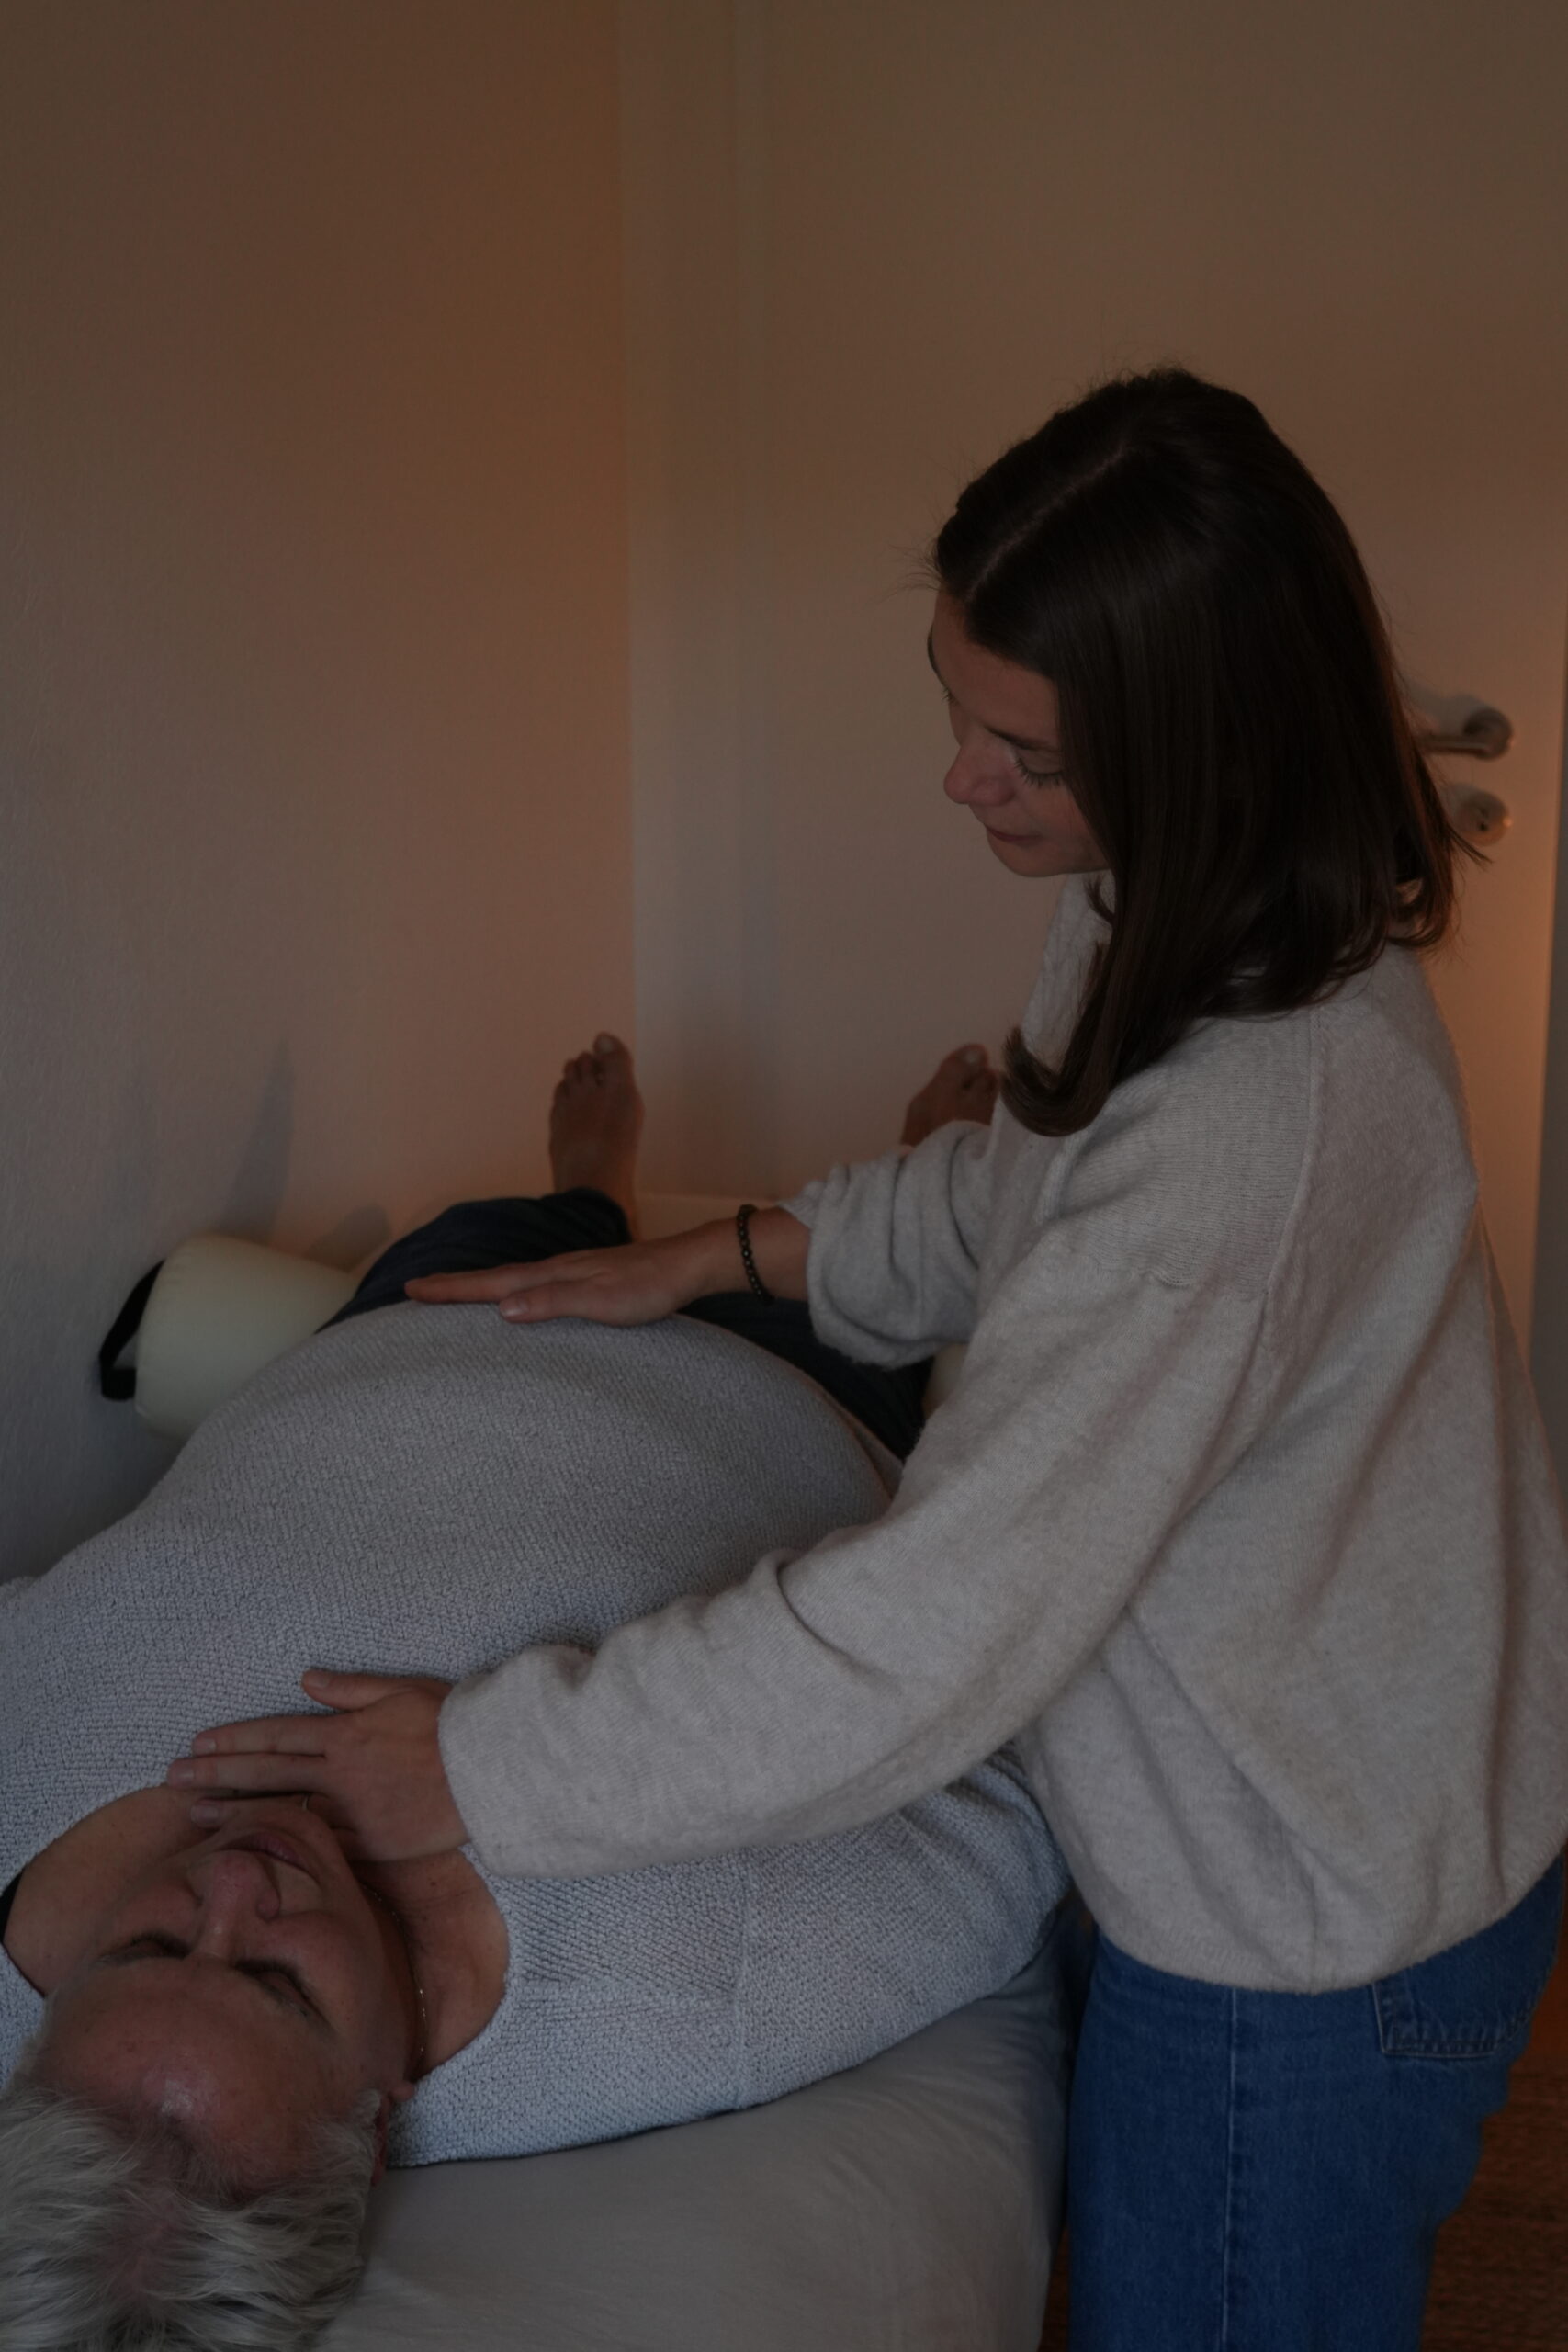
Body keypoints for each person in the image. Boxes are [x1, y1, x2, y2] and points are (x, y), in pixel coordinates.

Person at [175, 367, 1568, 2351]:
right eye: (955, 708)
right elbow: (1035, 1185)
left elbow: (927, 1631)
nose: (960, 781)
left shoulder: (1254, 1130)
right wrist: (742, 1248)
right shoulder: (1183, 900)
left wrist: (478, 1764)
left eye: (1025, 750)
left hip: (1308, 1942)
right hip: (1343, 1792)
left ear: (1202, 750)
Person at [0, 1046, 1065, 2352]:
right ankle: (908, 1177)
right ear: (376, 2117)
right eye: (279, 1981)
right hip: (745, 1378)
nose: (229, 1884)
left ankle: (588, 1185)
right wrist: (517, 1761)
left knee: (499, 1223)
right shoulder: (694, 1993)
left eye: (143, 1949)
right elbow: (1015, 1791)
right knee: (869, 1293)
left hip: (387, 1336)